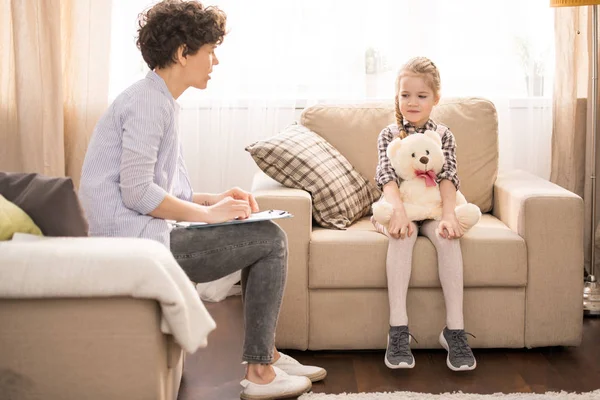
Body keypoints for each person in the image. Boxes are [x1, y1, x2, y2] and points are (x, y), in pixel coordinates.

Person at [78, 1, 325, 398]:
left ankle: (268, 355)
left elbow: (168, 194)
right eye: (209, 50)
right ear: (182, 53)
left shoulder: (157, 100)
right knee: (270, 240)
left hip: (147, 233)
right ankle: (262, 370)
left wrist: (217, 200)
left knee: (260, 233)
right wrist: (211, 217)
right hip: (135, 245)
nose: (215, 60)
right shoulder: (148, 103)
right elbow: (139, 194)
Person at [372, 56, 476, 371]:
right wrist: (399, 214)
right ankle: (398, 331)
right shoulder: (388, 135)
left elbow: (448, 179)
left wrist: (448, 216)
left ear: (435, 99)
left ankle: (454, 331)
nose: (412, 102)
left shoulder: (443, 135)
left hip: (433, 206)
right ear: (397, 96)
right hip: (399, 205)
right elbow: (386, 179)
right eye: (405, 95)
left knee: (447, 240)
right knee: (402, 237)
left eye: (421, 96)